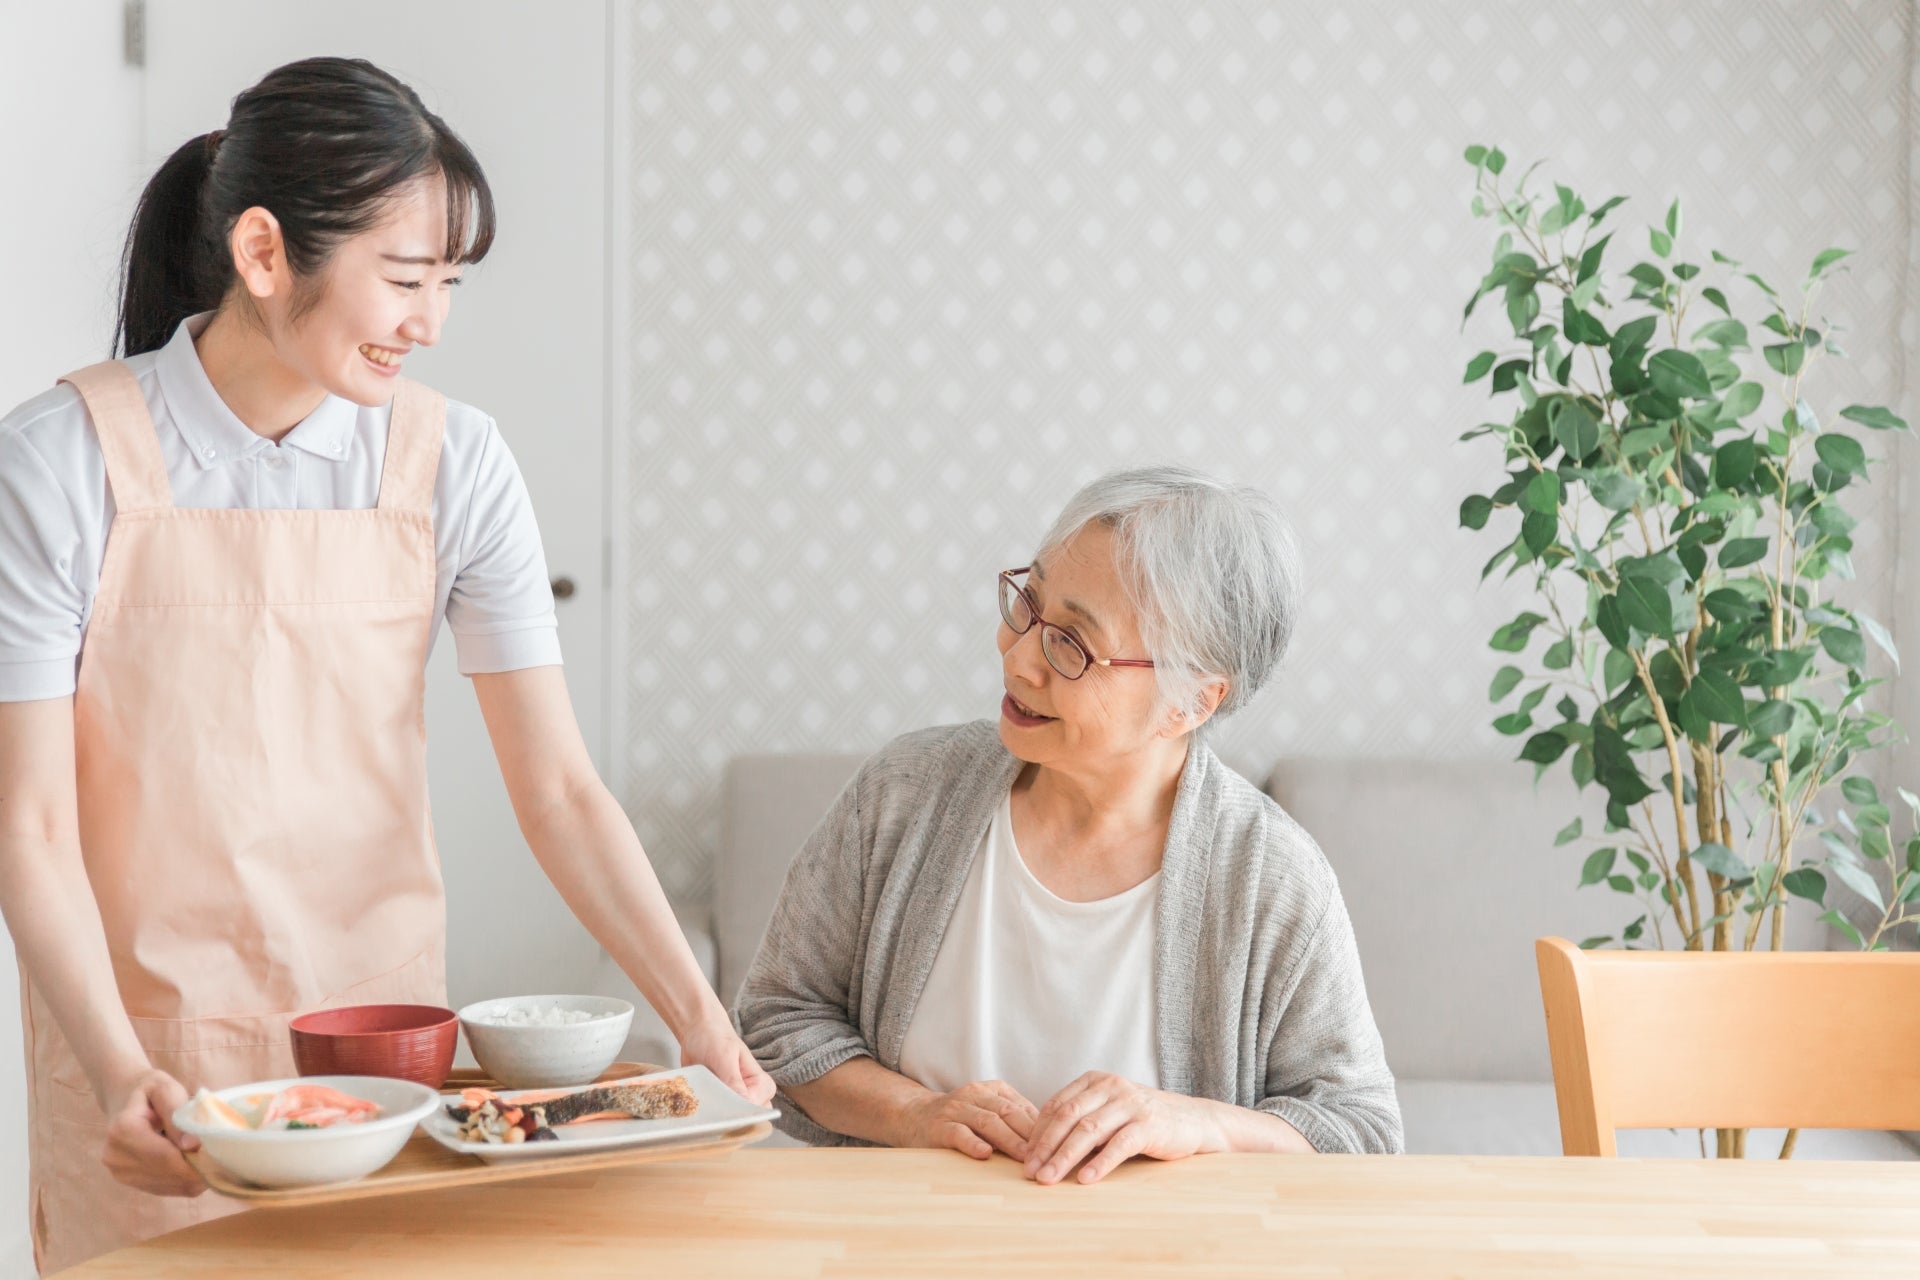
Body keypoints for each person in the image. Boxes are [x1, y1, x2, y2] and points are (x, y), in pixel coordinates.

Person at [0, 57, 769, 1272]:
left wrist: (700, 1017)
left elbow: (559, 789)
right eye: (405, 277)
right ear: (264, 254)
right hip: (147, 1053)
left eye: (449, 281)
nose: (433, 319)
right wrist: (114, 1071)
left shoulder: (455, 462)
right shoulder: (59, 462)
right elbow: (31, 830)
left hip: (381, 1055)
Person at [734, 466, 1401, 1184]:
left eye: (1073, 645)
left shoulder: (1272, 880)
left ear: (1191, 702)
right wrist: (915, 1114)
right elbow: (776, 1022)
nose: (1017, 655)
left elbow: (1361, 1133)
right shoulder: (904, 794)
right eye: (1029, 603)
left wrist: (1199, 1122)